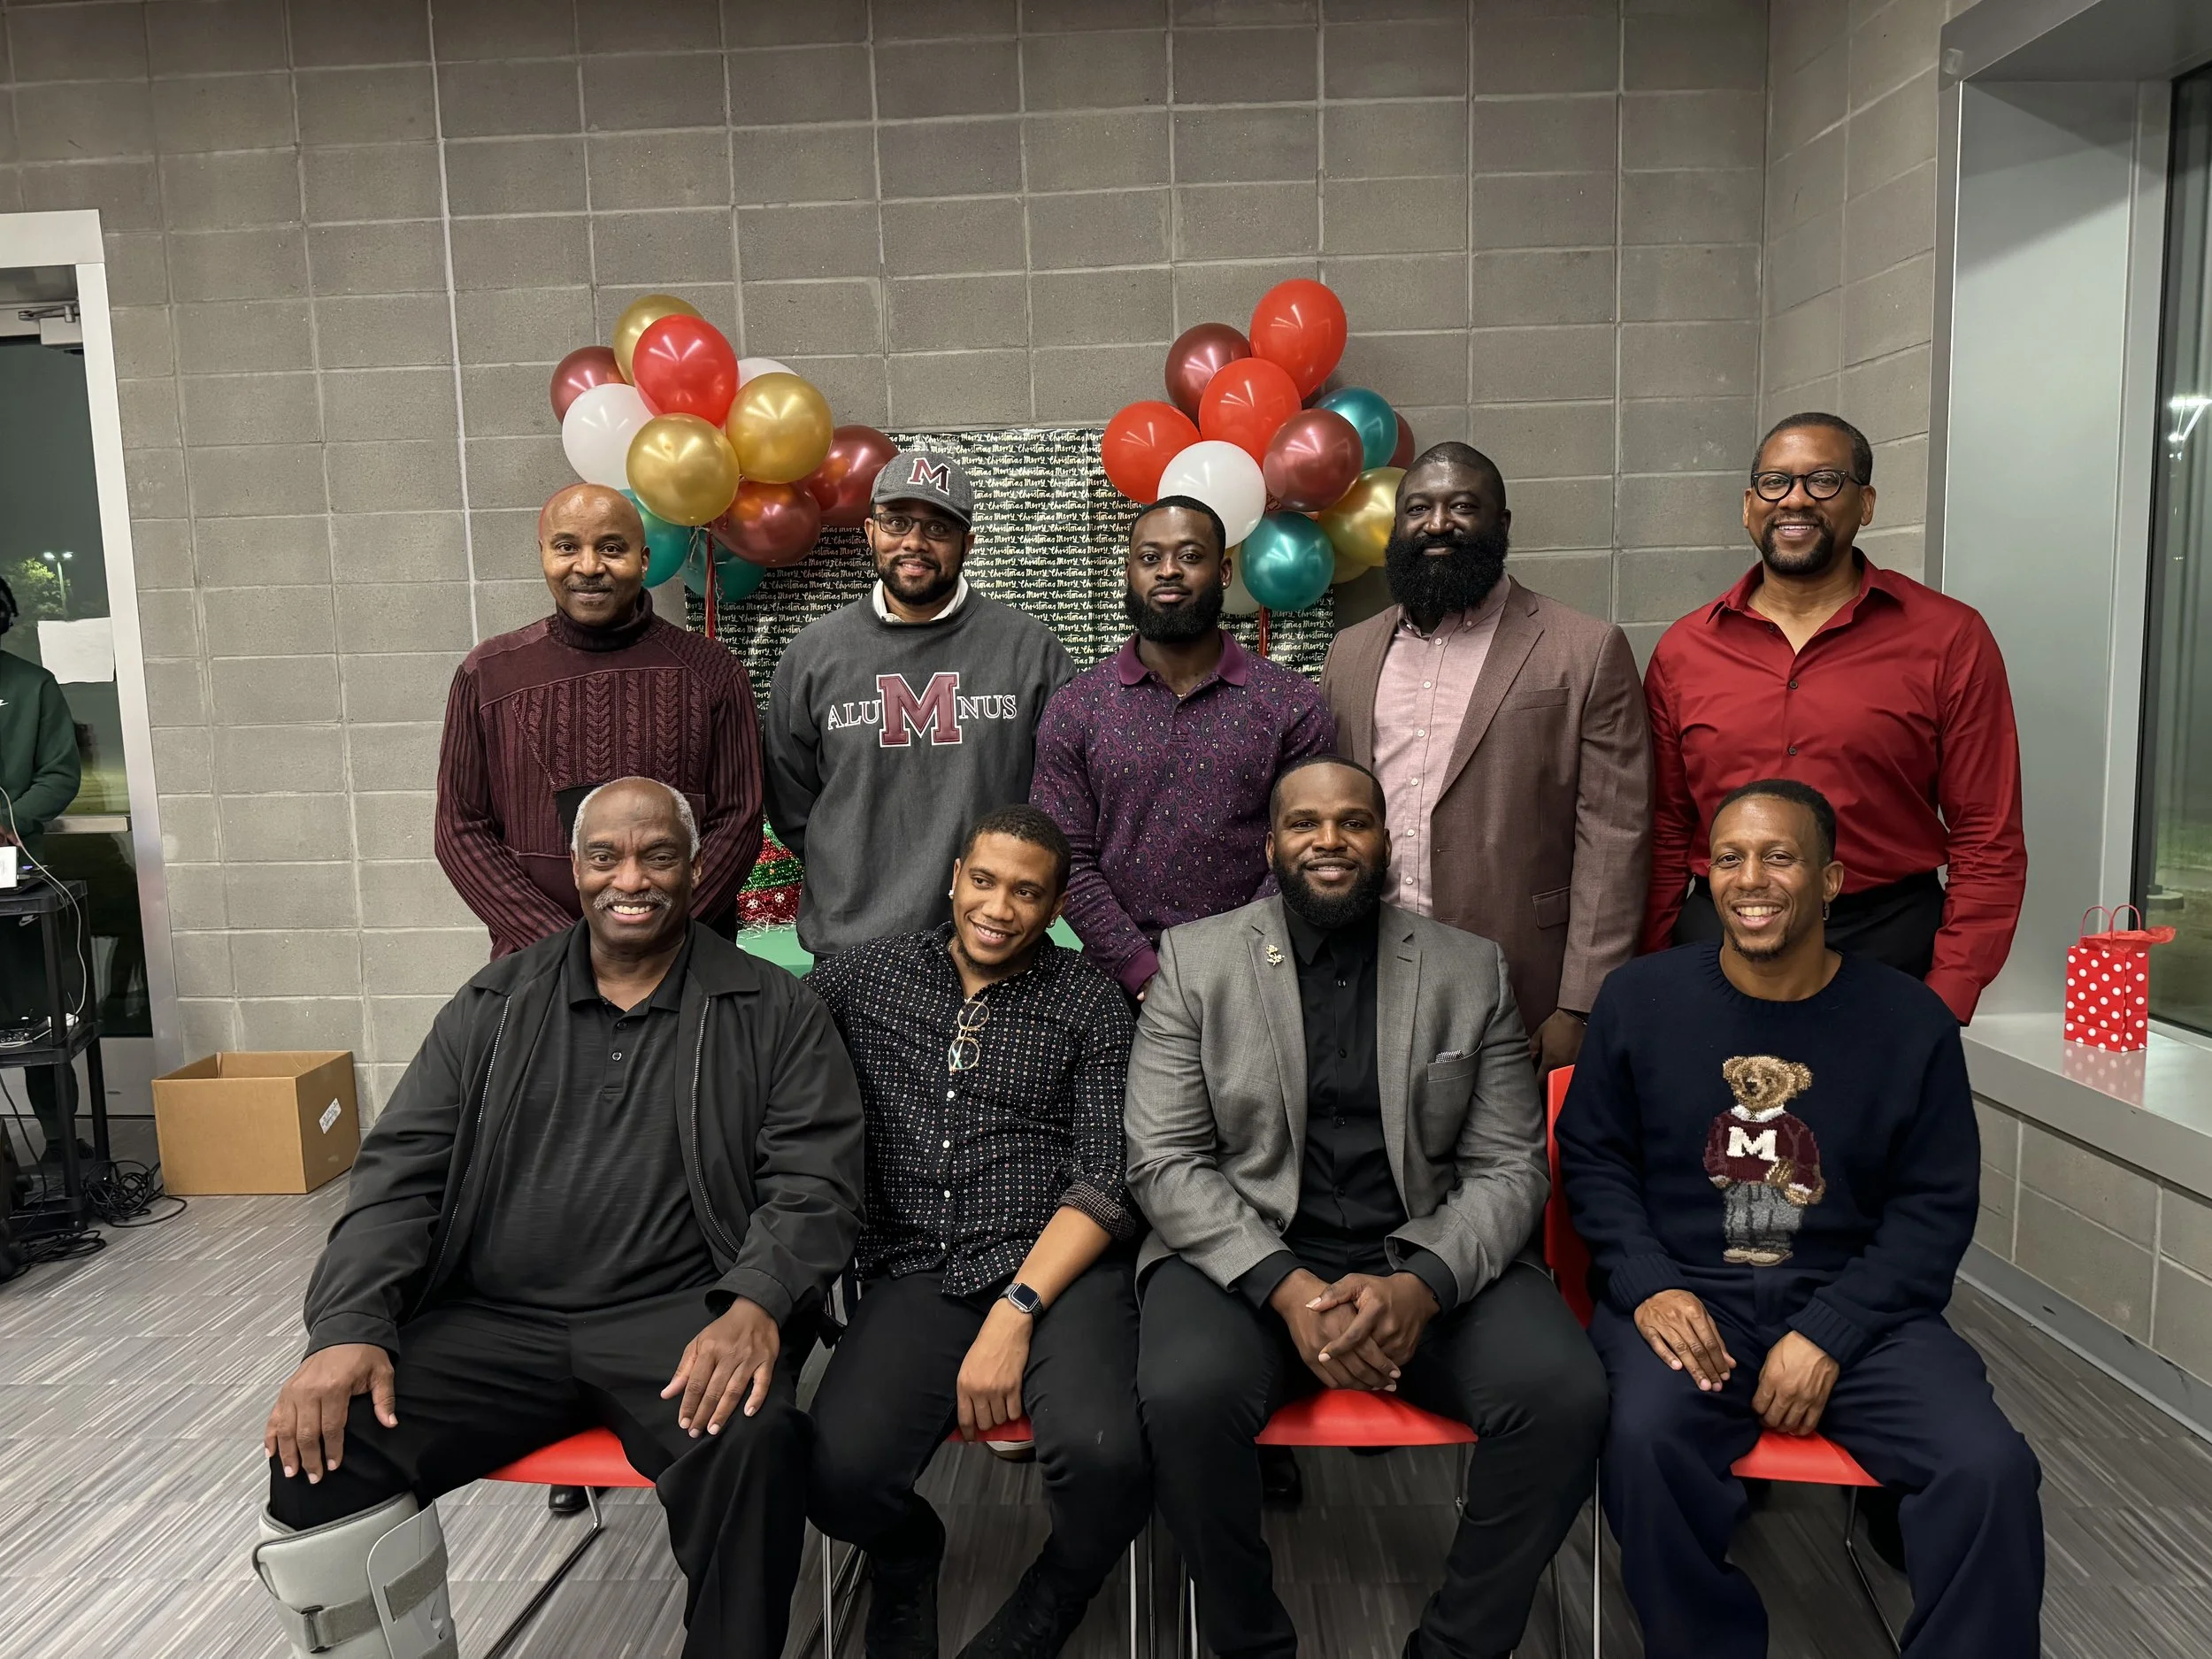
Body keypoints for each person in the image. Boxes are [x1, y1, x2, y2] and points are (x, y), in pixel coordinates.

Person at [253, 778, 864, 1659]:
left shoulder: (773, 1012)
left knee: (753, 1444)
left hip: (677, 1323)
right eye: (605, 855)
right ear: (573, 868)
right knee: (326, 1440)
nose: (632, 878)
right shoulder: (494, 1007)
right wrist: (348, 1326)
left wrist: (758, 1302)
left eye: (658, 854)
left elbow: (815, 1181)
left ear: (695, 868)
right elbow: (397, 1175)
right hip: (497, 1321)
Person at [1128, 756, 1608, 1659]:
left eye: (1353, 822)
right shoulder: (1197, 962)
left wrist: (1421, 1285)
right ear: (1270, 845)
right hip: (1249, 1257)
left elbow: (1510, 1167)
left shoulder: (1471, 970)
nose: (1329, 841)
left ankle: (1456, 1648)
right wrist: (1284, 1287)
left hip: (1423, 1254)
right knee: (1184, 1394)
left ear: (1385, 842)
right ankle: (1249, 1646)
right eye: (1305, 824)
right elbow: (1162, 1162)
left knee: (1562, 1394)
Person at [1558, 779, 2043, 1659]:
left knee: (1988, 1470)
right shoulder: (1640, 1000)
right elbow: (1593, 1163)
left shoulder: (1909, 1022)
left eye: (1780, 857)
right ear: (1707, 877)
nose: (1753, 879)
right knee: (1643, 1443)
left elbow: (1933, 1207)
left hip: (1859, 1310)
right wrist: (1649, 1286)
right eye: (1732, 858)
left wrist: (1831, 1329)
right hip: (1689, 1298)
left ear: (1830, 879)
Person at [803, 804, 1148, 1659]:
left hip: (1060, 1271)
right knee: (834, 1476)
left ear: (1057, 904)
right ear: (954, 876)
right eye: (984, 881)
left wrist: (1018, 1308)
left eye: (1027, 892)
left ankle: (1055, 1595)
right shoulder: (864, 978)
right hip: (920, 1269)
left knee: (1108, 1459)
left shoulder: (1091, 1001)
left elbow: (1107, 1178)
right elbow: (759, 1045)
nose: (998, 907)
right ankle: (907, 1551)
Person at [1641, 412, 2025, 1024]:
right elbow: (1664, 831)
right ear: (1748, 506)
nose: (1795, 498)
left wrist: (1949, 990)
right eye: (1775, 482)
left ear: (1866, 503)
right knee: (1714, 1122)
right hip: (1717, 942)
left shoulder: (1950, 639)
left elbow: (1988, 837)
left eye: (1823, 481)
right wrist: (1649, 967)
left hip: (1888, 945)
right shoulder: (1685, 651)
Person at [1320, 443, 1650, 1077]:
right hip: (1368, 973)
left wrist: (1581, 1004)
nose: (1438, 522)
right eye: (1418, 508)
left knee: (1512, 1168)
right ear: (1397, 528)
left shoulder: (1584, 648)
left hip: (1522, 981)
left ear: (1502, 524)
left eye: (1462, 506)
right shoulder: (1351, 653)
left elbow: (1615, 834)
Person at [764, 451, 1075, 962]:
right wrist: (852, 859)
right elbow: (792, 803)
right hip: (853, 948)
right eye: (897, 522)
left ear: (967, 543)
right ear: (869, 531)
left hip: (991, 948)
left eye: (937, 527)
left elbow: (1059, 799)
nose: (914, 542)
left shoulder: (1030, 651)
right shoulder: (813, 655)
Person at [435, 483, 764, 960]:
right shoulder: (488, 674)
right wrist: (563, 950)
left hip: (687, 969)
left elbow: (740, 817)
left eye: (611, 548)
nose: (589, 567)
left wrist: (654, 937)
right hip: (538, 972)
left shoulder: (711, 670)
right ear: (544, 554)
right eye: (567, 547)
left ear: (645, 559)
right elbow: (460, 827)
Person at [1030, 495, 1334, 1000]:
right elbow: (1065, 855)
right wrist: (1142, 970)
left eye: (1190, 556)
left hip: (1258, 978)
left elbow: (1304, 848)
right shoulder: (1078, 707)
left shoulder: (1290, 702)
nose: (1168, 571)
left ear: (1224, 572)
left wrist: (1232, 961)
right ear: (1130, 572)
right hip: (1117, 987)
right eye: (1150, 558)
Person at [0, 573, 86, 1167]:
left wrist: (12, 817)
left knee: (35, 1016)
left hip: (14, 870)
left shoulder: (31, 687)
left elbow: (61, 773)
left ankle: (59, 1141)